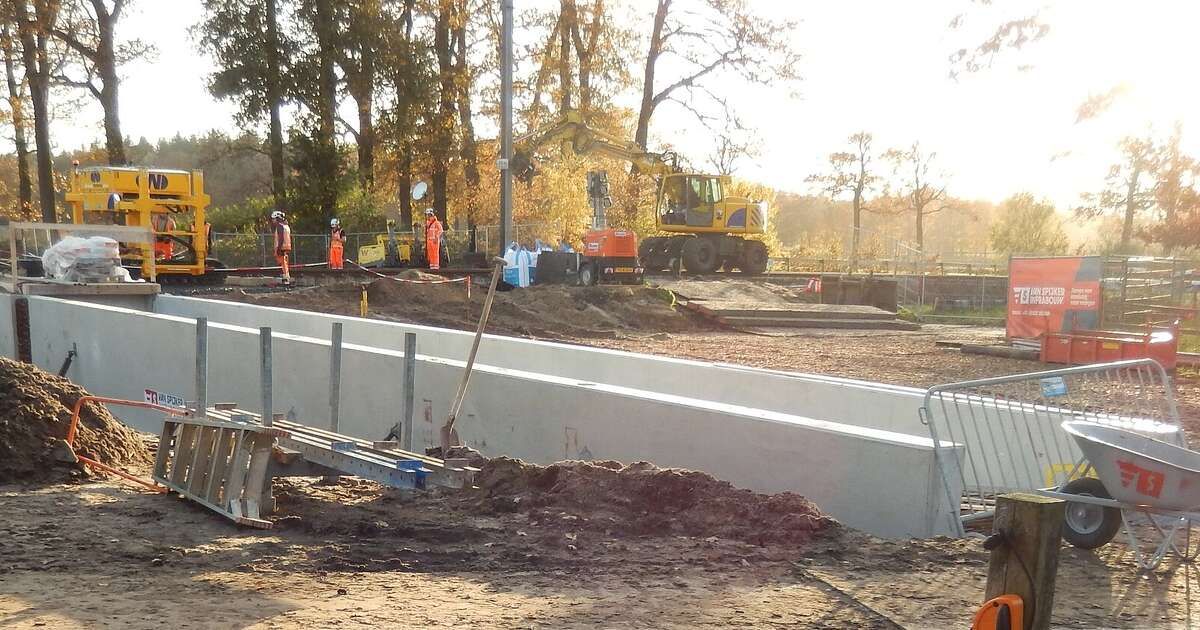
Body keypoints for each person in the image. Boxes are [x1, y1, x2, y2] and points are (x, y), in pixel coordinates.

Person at [270, 210, 292, 285]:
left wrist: (278, 249)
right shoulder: (286, 226)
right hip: (286, 247)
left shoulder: (280, 226)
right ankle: (286, 277)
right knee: (284, 263)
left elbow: (281, 238)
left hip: (281, 247)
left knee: (282, 263)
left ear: (277, 218)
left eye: (274, 219)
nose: (273, 220)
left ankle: (286, 279)